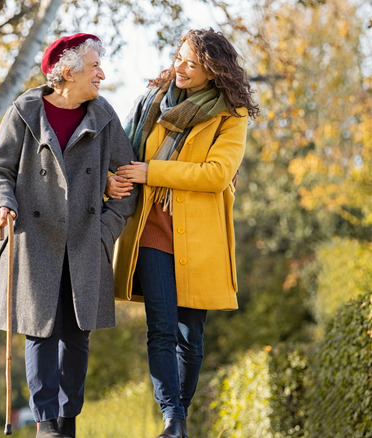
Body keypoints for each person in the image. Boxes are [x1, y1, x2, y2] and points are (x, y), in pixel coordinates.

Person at [106, 28, 260, 438]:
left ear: (213, 72)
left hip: (201, 238)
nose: (180, 68)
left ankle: (179, 418)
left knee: (191, 336)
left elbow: (216, 174)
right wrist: (112, 179)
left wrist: (152, 172)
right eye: (178, 57)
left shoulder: (231, 116)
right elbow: (121, 149)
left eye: (191, 63)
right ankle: (172, 416)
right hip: (152, 228)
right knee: (161, 327)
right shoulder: (153, 101)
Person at [0, 33, 139, 438]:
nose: (102, 75)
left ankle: (69, 420)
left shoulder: (103, 115)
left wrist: (105, 230)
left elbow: (128, 181)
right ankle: (45, 422)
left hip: (86, 241)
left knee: (76, 334)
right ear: (67, 73)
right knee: (40, 331)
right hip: (34, 240)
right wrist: (1, 204)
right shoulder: (24, 112)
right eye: (94, 67)